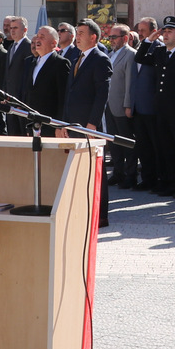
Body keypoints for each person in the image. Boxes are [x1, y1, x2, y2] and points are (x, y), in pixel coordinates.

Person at [135, 16, 175, 198]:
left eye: (170, 32)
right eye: (165, 31)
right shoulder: (160, 52)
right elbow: (140, 57)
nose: (165, 34)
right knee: (165, 148)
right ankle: (169, 182)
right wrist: (148, 41)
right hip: (160, 109)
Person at [60, 19, 113, 225]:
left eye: (81, 32)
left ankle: (101, 216)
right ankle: (84, 211)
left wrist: (93, 124)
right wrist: (64, 123)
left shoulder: (100, 59)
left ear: (93, 37)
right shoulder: (77, 59)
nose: (77, 36)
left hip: (89, 126)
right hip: (74, 123)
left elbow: (102, 94)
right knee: (80, 170)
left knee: (95, 171)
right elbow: (69, 94)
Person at [130, 18, 162, 190]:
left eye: (143, 30)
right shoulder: (139, 49)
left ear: (154, 31)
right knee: (143, 146)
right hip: (139, 107)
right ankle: (147, 179)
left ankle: (158, 179)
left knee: (155, 146)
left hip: (153, 107)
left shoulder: (159, 48)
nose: (140, 33)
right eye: (139, 30)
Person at [105, 24, 138, 187]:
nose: (111, 40)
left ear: (125, 38)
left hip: (122, 106)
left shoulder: (130, 55)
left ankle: (130, 175)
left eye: (114, 37)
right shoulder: (111, 54)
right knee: (113, 142)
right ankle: (118, 172)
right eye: (110, 37)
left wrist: (128, 105)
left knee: (126, 142)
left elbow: (130, 82)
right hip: (109, 105)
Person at [25, 25, 70, 121]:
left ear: (53, 44)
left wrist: (60, 124)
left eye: (42, 37)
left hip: (51, 123)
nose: (37, 40)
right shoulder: (32, 63)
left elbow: (63, 97)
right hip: (32, 122)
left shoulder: (60, 63)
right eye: (37, 36)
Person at [3, 15, 35, 136]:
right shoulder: (11, 47)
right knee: (12, 132)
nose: (12, 30)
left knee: (22, 132)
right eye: (11, 28)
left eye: (15, 27)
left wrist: (22, 101)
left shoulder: (28, 46)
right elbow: (8, 73)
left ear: (25, 30)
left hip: (21, 100)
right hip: (10, 98)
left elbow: (26, 76)